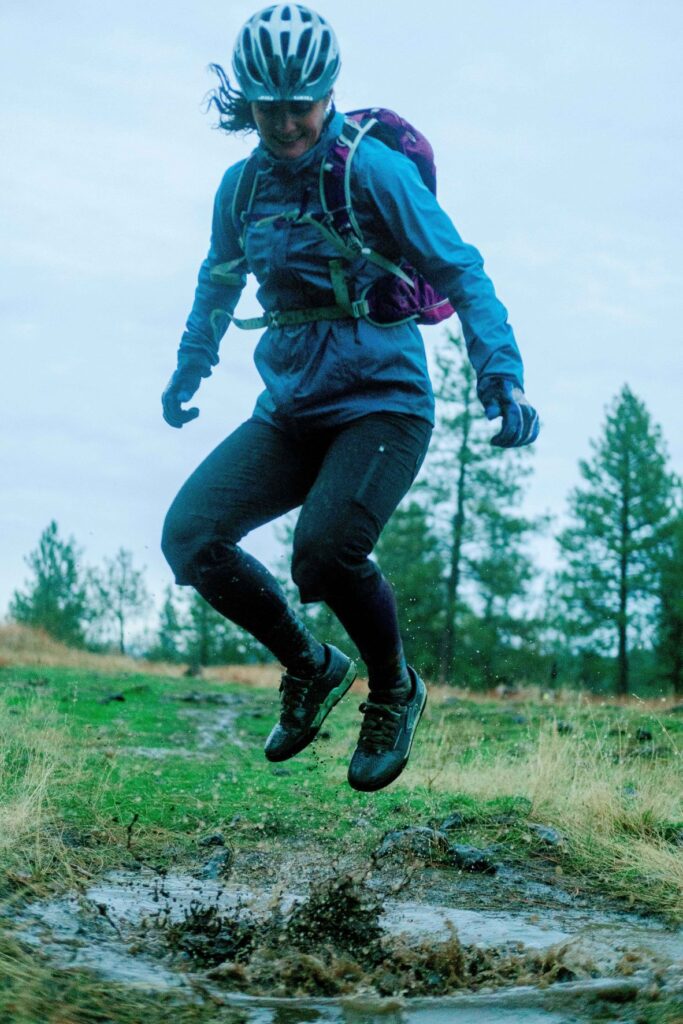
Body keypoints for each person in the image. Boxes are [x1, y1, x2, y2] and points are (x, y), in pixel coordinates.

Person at [161, 4, 539, 793]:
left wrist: (499, 371)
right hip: (291, 408)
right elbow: (217, 281)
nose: (287, 122)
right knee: (192, 537)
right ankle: (310, 664)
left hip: (383, 403)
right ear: (249, 101)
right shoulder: (240, 189)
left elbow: (460, 270)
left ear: (328, 92)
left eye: (302, 104)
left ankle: (393, 689)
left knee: (324, 551)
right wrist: (190, 367)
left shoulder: (371, 171)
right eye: (270, 107)